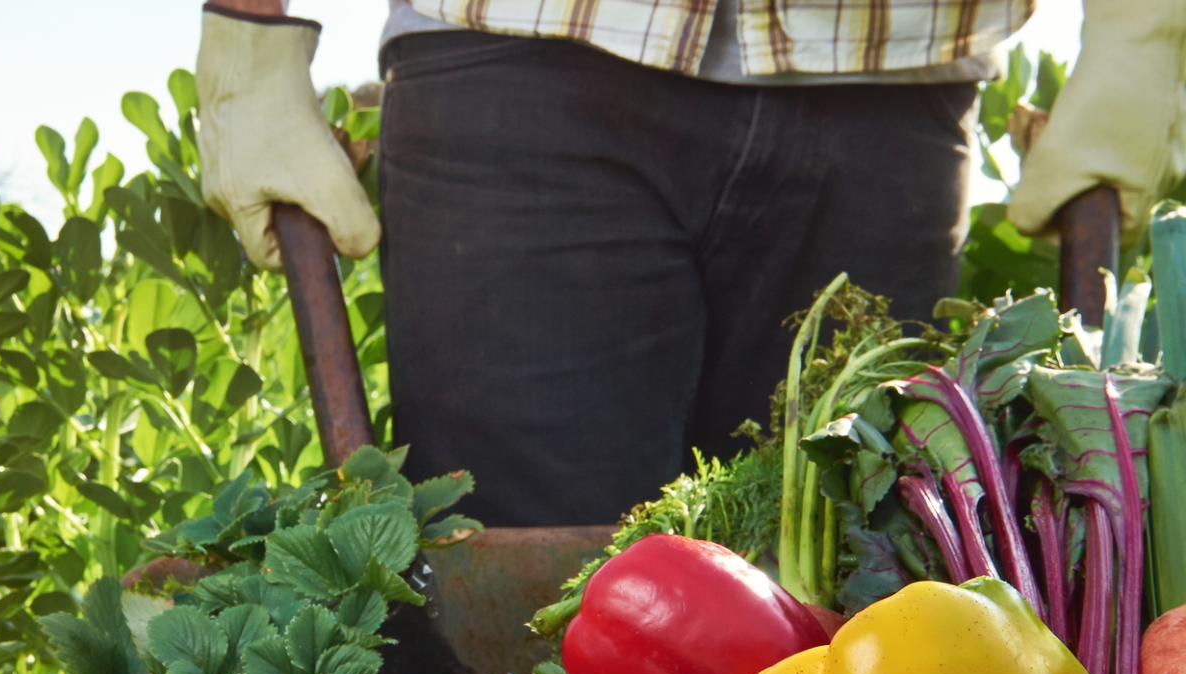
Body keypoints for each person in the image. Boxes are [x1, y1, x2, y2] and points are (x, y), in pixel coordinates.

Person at [195, 0, 1186, 527]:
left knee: (852, 608)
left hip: (891, 78)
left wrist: (1140, 27)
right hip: (521, 59)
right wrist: (250, 41)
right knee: (524, 635)